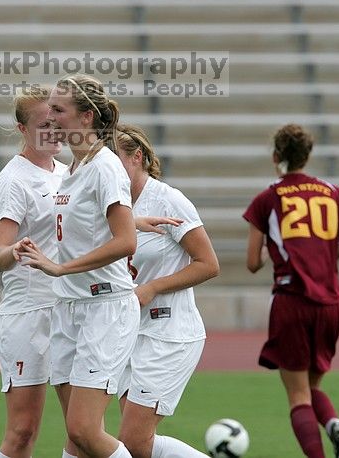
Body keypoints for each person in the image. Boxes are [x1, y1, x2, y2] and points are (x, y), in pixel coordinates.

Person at [17, 74, 139, 458]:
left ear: (86, 117)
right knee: (76, 439)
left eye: (58, 109)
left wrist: (60, 269)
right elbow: (94, 228)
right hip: (70, 309)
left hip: (104, 308)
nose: (49, 116)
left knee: (85, 430)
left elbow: (125, 242)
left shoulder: (104, 166)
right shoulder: (73, 169)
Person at [243, 124, 339, 458]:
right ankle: (333, 423)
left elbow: (252, 263)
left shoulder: (268, 198)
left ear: (276, 157)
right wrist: (333, 253)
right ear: (307, 155)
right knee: (312, 387)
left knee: (298, 396)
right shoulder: (331, 191)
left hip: (292, 300)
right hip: (331, 303)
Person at [113, 124, 220, 458]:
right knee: (137, 444)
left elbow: (208, 263)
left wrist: (153, 287)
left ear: (137, 157)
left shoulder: (169, 200)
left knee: (132, 440)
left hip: (170, 333)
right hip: (130, 331)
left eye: (115, 160)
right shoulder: (112, 206)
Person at [0, 85, 70, 458]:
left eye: (56, 120)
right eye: (42, 123)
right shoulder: (14, 180)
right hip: (28, 312)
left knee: (83, 429)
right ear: (23, 129)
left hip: (70, 310)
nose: (53, 130)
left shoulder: (69, 173)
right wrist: (15, 250)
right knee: (23, 431)